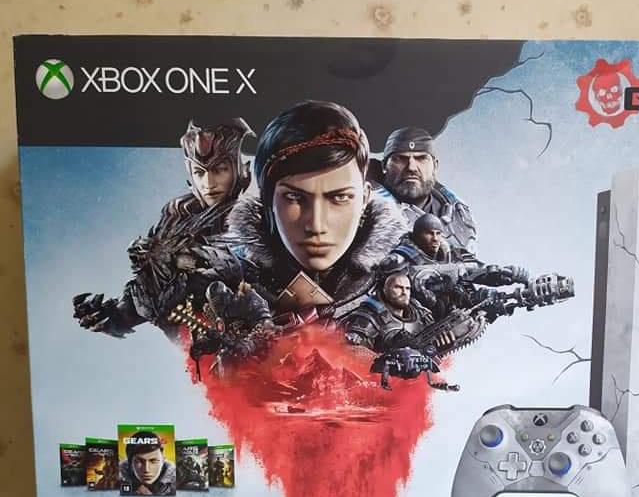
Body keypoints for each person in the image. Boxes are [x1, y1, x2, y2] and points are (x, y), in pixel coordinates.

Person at [201, 100, 409, 326]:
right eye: (294, 197)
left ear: (364, 198)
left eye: (340, 197)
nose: (316, 225)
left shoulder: (400, 277)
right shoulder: (229, 283)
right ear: (267, 199)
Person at [72, 118, 254, 339]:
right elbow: (151, 289)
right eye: (199, 172)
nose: (209, 183)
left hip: (263, 325)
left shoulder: (264, 213)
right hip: (204, 339)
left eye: (220, 170)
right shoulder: (178, 218)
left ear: (239, 169)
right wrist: (115, 316)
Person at [378, 127, 477, 255]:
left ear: (435, 165)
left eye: (422, 158)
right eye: (400, 158)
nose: (412, 167)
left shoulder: (459, 215)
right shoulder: (361, 209)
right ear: (384, 166)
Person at [342, 270, 435, 353]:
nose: (404, 292)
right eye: (398, 287)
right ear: (385, 290)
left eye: (407, 288)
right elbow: (353, 351)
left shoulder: (420, 312)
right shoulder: (371, 315)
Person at [119, 431, 177, 496]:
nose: (146, 470)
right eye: (139, 461)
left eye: (153, 461)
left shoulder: (178, 483)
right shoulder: (116, 482)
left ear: (163, 461)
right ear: (130, 464)